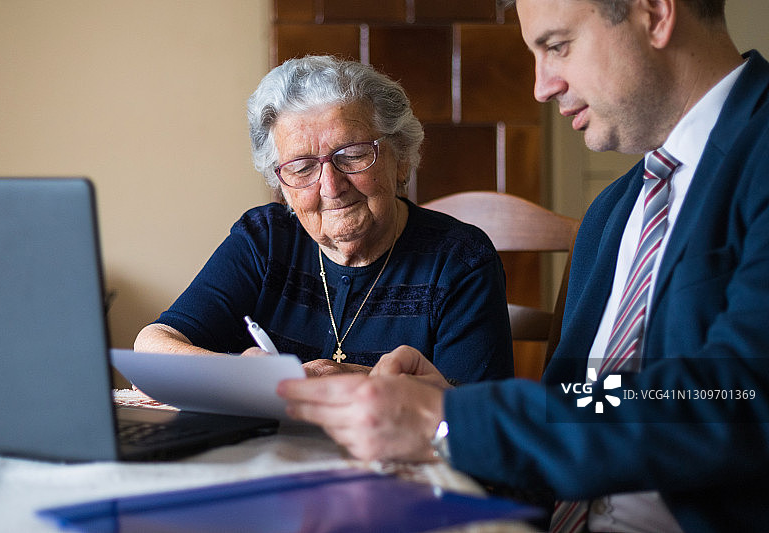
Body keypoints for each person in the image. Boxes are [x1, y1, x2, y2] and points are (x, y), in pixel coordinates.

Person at [277, 1, 769, 531]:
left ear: (654, 13)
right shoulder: (615, 211)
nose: (541, 87)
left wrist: (452, 423)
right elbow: (590, 402)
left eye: (557, 46)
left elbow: (739, 395)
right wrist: (459, 406)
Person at [134, 55, 513, 383]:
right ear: (281, 186)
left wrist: (372, 388)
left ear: (402, 159)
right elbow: (153, 345)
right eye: (301, 167)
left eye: (352, 154)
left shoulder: (461, 261)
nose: (330, 186)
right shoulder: (264, 239)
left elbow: (479, 415)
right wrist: (233, 373)